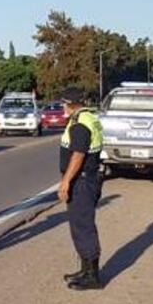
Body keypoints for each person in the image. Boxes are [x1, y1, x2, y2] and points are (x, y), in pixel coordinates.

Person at [57, 87, 104, 290]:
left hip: (82, 181)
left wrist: (66, 181)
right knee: (80, 226)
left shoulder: (80, 124)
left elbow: (78, 155)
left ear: (71, 104)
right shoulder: (89, 117)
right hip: (88, 178)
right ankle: (85, 270)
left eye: (64, 103)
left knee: (83, 227)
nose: (62, 106)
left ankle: (92, 276)